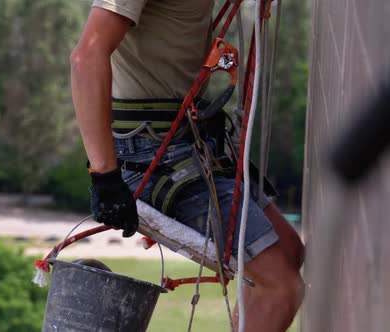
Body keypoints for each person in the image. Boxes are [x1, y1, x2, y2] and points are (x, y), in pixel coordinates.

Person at [70, 1, 304, 331]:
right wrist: (105, 177)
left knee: (289, 252)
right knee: (279, 286)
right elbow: (86, 56)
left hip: (184, 142)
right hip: (152, 155)